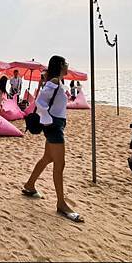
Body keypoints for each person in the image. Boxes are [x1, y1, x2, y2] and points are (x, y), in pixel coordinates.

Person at [22, 55, 83, 223]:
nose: (68, 66)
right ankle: (61, 204)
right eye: (66, 64)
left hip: (56, 125)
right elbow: (41, 101)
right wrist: (48, 121)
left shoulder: (58, 82)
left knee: (47, 158)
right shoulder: (54, 81)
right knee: (60, 164)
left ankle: (29, 186)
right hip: (54, 128)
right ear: (60, 66)